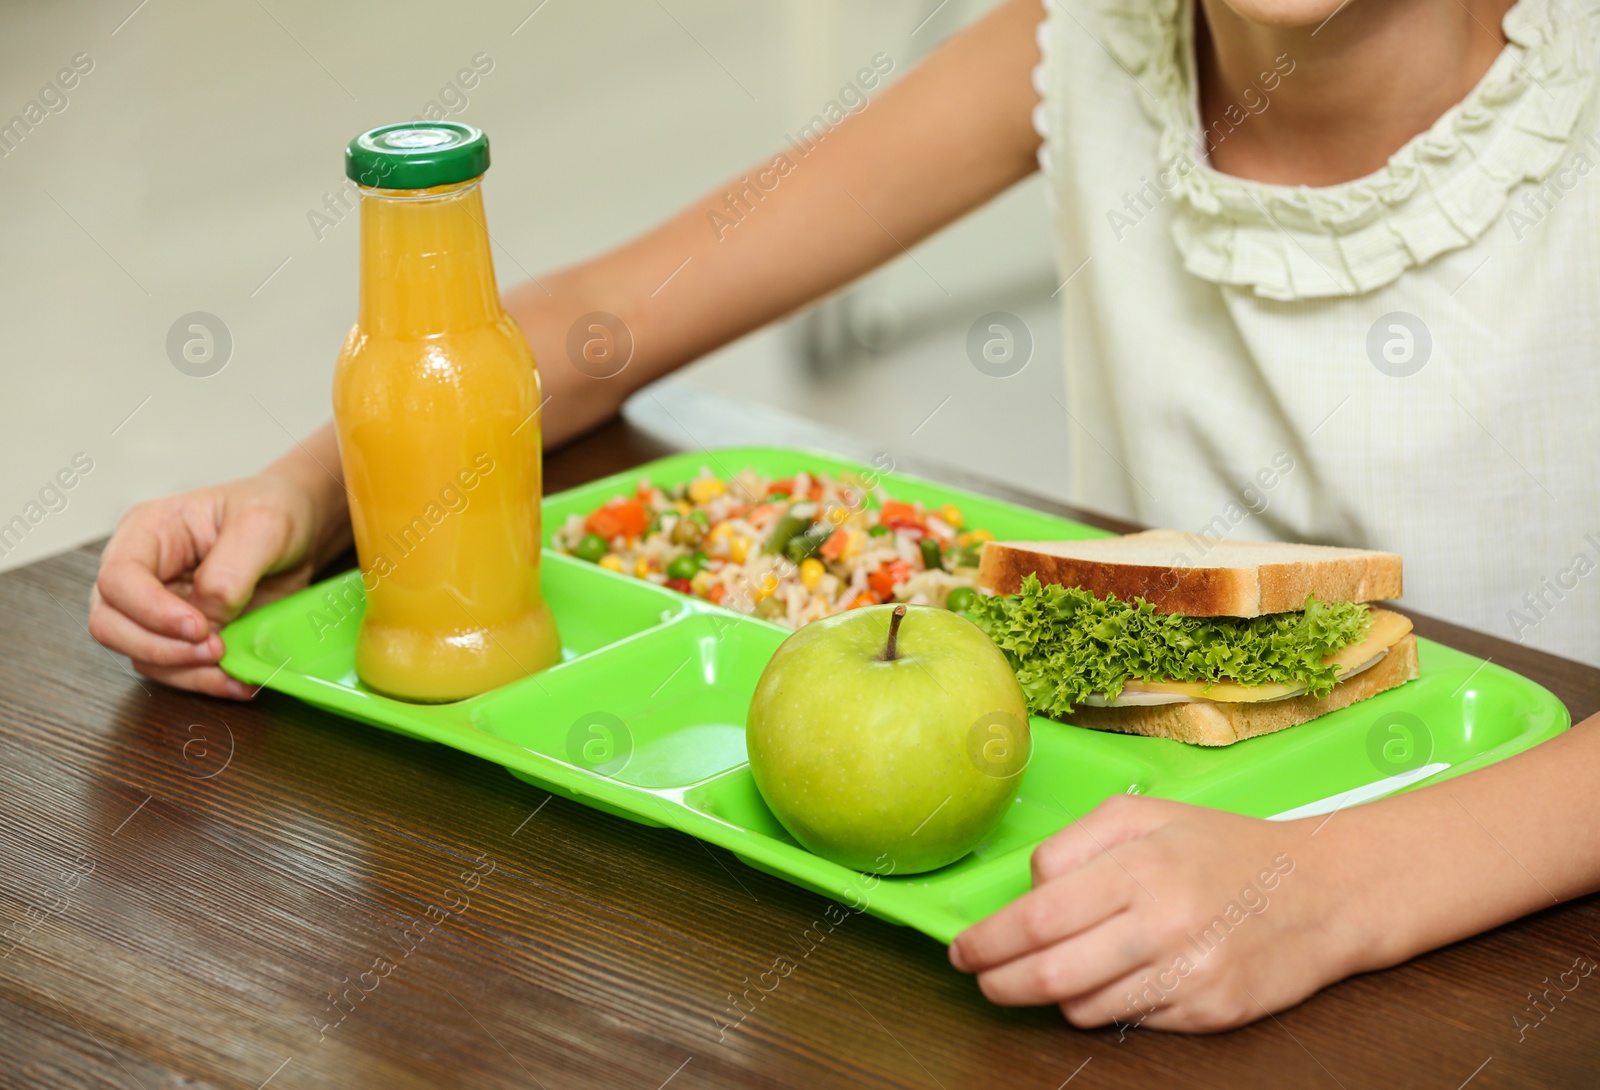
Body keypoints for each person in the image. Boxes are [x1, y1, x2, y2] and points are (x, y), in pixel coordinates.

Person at [88, 0, 1600, 1032]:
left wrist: (1324, 895)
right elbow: (615, 311)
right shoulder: (1084, 38)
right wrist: (304, 488)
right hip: (1133, 851)